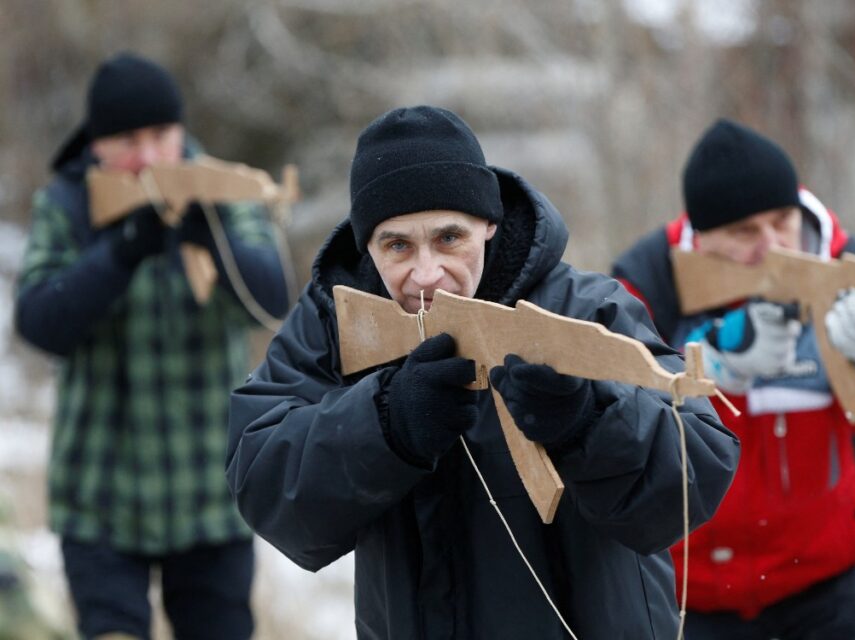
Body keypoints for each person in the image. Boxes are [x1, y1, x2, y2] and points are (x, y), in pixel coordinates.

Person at [226, 105, 740, 639]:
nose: (427, 274)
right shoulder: (334, 322)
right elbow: (261, 474)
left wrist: (588, 419)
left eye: (450, 238)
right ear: (367, 247)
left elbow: (696, 468)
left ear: (489, 225)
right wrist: (387, 423)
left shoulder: (583, 307)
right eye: (397, 245)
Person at [612, 118, 855, 639]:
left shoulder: (852, 269)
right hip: (689, 590)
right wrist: (710, 367)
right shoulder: (648, 281)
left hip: (834, 584)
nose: (771, 246)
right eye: (744, 232)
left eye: (781, 220)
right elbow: (611, 416)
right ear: (702, 238)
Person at [14, 52, 290, 640]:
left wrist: (209, 238)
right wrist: (123, 250)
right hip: (101, 498)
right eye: (129, 140)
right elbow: (40, 320)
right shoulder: (68, 203)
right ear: (97, 146)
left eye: (162, 135)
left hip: (210, 494)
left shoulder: (217, 191)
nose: (149, 156)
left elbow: (271, 298)